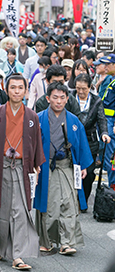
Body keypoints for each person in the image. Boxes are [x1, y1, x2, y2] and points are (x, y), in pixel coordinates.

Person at [0, 73, 45, 270]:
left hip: (22, 167)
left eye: (21, 88)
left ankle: (18, 256)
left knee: (20, 211)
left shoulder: (31, 116)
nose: (17, 91)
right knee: (0, 209)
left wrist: (37, 169)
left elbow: (36, 144)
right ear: (6, 89)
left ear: (26, 91)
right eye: (13, 87)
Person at [34, 82, 93, 255]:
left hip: (67, 165)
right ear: (47, 99)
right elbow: (32, 144)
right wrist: (34, 164)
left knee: (69, 203)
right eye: (55, 97)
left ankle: (67, 242)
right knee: (49, 204)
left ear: (67, 99)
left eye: (62, 98)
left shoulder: (74, 121)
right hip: (46, 166)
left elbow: (81, 145)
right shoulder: (39, 118)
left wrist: (82, 166)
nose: (58, 101)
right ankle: (47, 240)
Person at [74, 73, 110, 203]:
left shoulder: (96, 101)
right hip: (73, 140)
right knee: (74, 170)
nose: (81, 91)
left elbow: (102, 119)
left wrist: (104, 133)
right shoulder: (70, 97)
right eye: (78, 88)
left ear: (90, 87)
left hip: (90, 141)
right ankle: (74, 199)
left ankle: (83, 199)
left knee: (89, 173)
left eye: (84, 88)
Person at [99, 54, 115, 191]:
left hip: (112, 123)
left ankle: (112, 187)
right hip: (107, 121)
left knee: (110, 157)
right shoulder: (111, 79)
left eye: (109, 64)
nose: (106, 66)